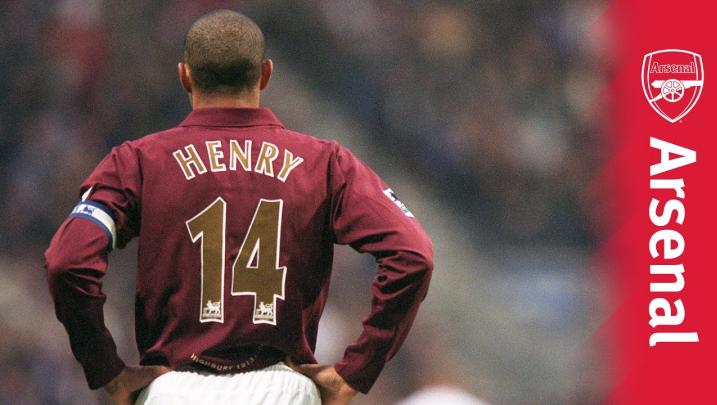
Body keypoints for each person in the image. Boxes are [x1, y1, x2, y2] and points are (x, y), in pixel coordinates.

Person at [45, 9, 433, 405]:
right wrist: (357, 369)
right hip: (283, 391)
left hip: (174, 390)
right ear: (265, 74)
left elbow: (67, 261)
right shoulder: (325, 164)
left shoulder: (138, 162)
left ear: (185, 76)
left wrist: (106, 369)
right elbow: (412, 254)